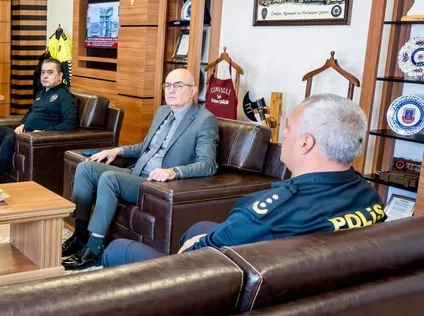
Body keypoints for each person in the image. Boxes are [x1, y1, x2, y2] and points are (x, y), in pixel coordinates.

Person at [102, 94, 385, 267]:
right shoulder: (369, 196)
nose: (284, 136)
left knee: (118, 250)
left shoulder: (268, 212)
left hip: (222, 294)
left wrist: (196, 247)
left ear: (305, 143)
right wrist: (206, 238)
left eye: (288, 129)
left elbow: (196, 256)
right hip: (293, 282)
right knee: (198, 228)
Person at [62, 68, 219, 270]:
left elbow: (208, 164)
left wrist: (174, 171)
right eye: (168, 85)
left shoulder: (205, 120)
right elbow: (146, 147)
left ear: (193, 91)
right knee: (86, 168)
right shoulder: (162, 111)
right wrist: (117, 150)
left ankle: (94, 250)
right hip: (136, 172)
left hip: (156, 184)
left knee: (110, 178)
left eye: (178, 86)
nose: (171, 90)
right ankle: (80, 235)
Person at [0, 59, 77, 185]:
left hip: (36, 137)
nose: (45, 76)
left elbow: (70, 123)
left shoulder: (65, 96)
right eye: (43, 72)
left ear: (60, 76)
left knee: (9, 138)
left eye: (50, 72)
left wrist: (44, 132)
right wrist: (22, 124)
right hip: (25, 132)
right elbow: (29, 113)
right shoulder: (41, 93)